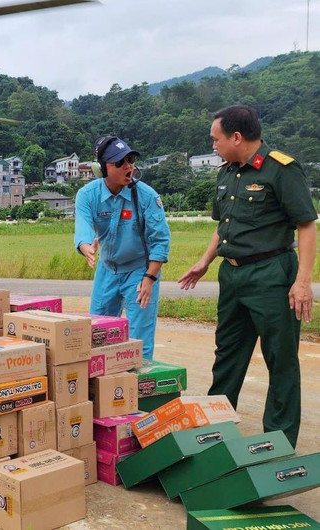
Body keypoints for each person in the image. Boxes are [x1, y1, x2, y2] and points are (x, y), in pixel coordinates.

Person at [178, 105, 316, 448]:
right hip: (233, 276)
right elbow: (222, 227)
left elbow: (306, 225)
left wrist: (302, 281)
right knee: (227, 355)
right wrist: (204, 262)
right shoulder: (227, 173)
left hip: (271, 275)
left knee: (280, 359)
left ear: (236, 137)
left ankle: (278, 443)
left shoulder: (282, 169)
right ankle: (214, 435)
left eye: (216, 139)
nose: (214, 146)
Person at [74, 136, 171, 360]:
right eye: (120, 163)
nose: (128, 166)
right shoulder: (88, 196)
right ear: (101, 169)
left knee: (140, 340)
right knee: (97, 333)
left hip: (140, 271)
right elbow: (83, 225)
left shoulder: (147, 196)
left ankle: (140, 388)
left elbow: (160, 240)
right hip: (107, 269)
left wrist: (149, 277)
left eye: (130, 160)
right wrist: (85, 245)